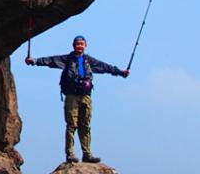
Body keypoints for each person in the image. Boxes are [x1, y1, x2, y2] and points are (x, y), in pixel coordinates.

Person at [25, 35, 129, 164]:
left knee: (85, 125)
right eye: (77, 44)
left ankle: (87, 154)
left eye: (82, 44)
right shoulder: (67, 59)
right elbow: (50, 60)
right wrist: (34, 61)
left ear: (85, 46)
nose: (80, 46)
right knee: (71, 125)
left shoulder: (88, 60)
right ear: (73, 46)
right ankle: (70, 154)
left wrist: (120, 72)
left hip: (86, 96)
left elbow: (105, 67)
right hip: (72, 96)